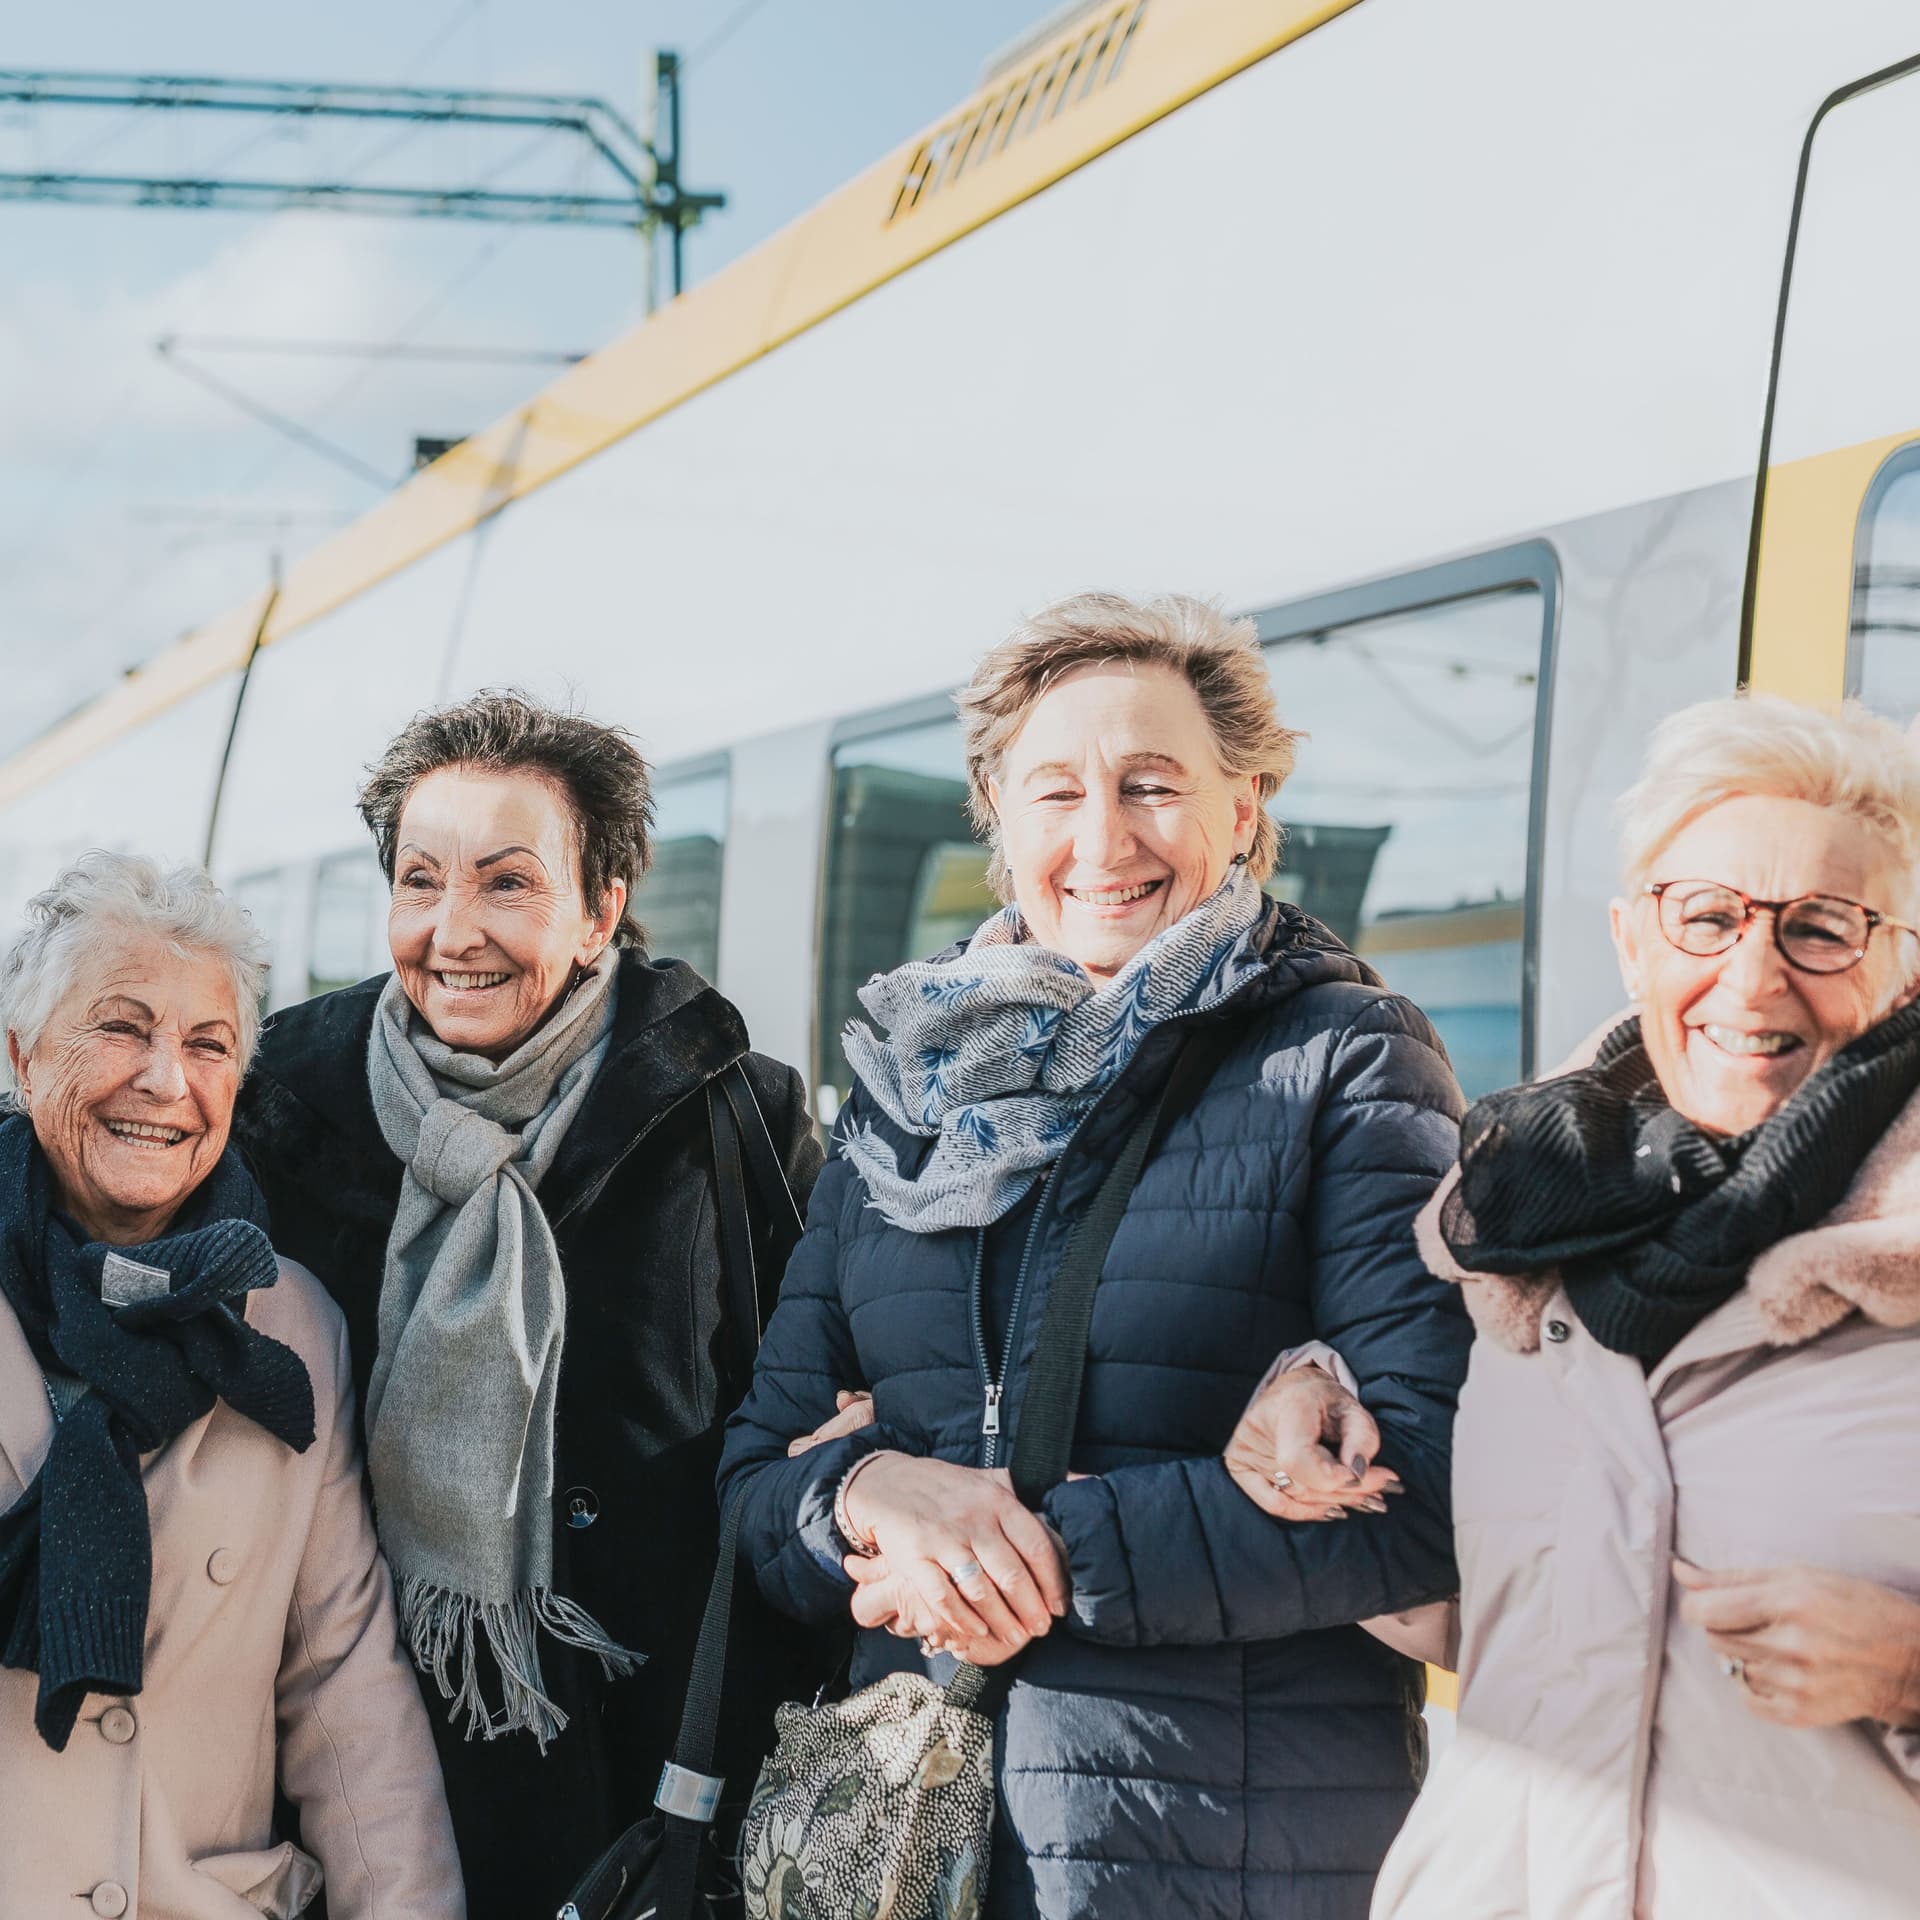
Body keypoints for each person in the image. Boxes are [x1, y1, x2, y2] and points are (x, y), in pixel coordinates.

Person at [718, 592, 1474, 1920]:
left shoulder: (1347, 1062)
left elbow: (1423, 1498)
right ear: (1000, 823)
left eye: (1152, 787)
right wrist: (869, 1492)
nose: (1104, 840)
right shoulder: (907, 1094)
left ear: (1241, 810)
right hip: (919, 1854)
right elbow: (752, 1483)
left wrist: (1030, 1553)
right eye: (1056, 793)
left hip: (1226, 1859)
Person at [1233, 693, 1920, 1918]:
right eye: (1706, 916)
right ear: (1632, 940)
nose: (1752, 974)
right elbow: (1507, 1613)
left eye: (1820, 926)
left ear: (1901, 958)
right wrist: (1316, 1422)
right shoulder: (1518, 1235)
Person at [230, 691, 826, 1920]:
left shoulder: (733, 1111)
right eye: (419, 880)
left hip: (651, 1784)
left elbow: (808, 1402)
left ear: (602, 908)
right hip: (345, 1761)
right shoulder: (277, 1104)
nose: (455, 931)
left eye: (509, 883)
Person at [0, 851, 460, 1920]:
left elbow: (344, 1684)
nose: (167, 1080)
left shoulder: (288, 1322)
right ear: (24, 1058)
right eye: (120, 1028)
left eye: (208, 1044)